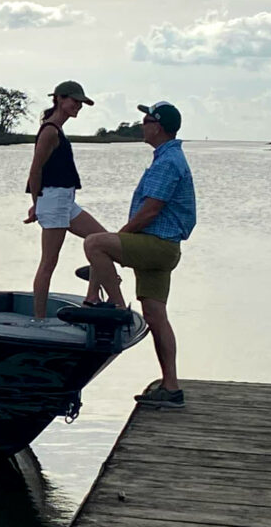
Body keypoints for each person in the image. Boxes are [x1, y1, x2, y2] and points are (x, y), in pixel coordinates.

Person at [82, 101, 196, 408]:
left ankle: (116, 307)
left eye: (146, 121)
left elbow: (151, 210)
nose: (142, 125)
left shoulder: (168, 162)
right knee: (156, 316)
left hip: (157, 246)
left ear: (157, 126)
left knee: (94, 243)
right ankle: (171, 387)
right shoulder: (168, 157)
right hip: (163, 247)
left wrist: (121, 237)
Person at [24, 81, 108, 318]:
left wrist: (37, 203)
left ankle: (92, 297)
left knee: (102, 241)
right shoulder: (50, 130)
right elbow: (35, 170)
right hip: (53, 200)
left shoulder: (57, 129)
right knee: (49, 262)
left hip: (64, 201)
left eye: (81, 103)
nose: (78, 106)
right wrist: (37, 204)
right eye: (74, 101)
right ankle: (39, 319)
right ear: (60, 99)